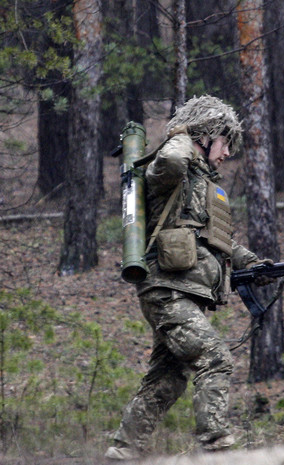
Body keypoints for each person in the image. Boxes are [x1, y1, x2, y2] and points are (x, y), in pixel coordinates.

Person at [105, 95, 270, 460]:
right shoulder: (172, 166)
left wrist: (252, 263)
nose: (227, 153)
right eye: (225, 142)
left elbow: (216, 241)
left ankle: (123, 452)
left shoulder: (204, 184)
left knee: (167, 378)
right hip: (167, 290)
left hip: (184, 291)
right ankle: (216, 448)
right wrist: (185, 133)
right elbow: (172, 158)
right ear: (207, 134)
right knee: (215, 358)